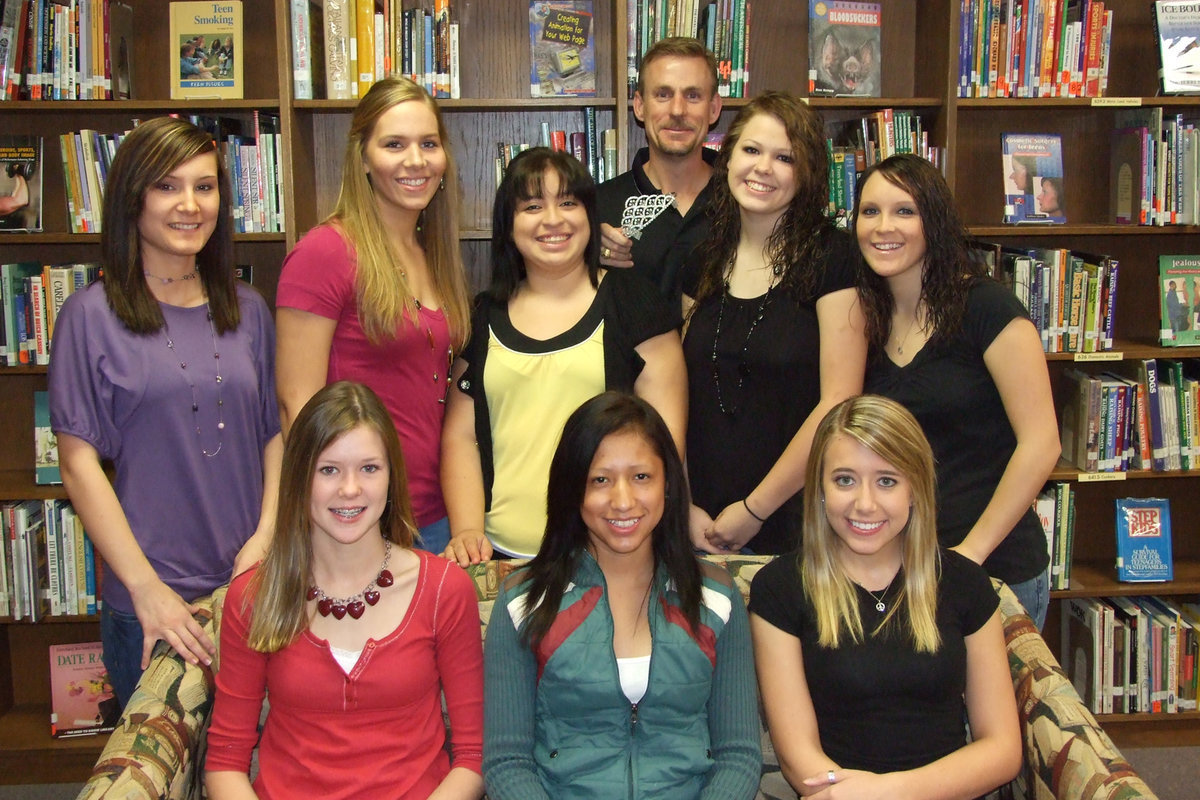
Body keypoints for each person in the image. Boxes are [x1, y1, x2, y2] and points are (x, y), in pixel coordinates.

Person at [49, 116, 282, 706]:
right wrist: (145, 588)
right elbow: (78, 466)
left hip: (251, 587)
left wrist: (265, 540)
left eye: (204, 187)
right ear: (133, 198)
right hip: (154, 602)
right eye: (168, 186)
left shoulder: (249, 310)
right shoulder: (89, 317)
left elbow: (274, 438)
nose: (190, 205)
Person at [205, 382, 484, 800]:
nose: (350, 489)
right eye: (328, 469)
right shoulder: (253, 595)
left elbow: (473, 757)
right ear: (299, 477)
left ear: (392, 475)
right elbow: (225, 761)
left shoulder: (446, 590)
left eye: (369, 468)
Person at [483, 391, 760, 800]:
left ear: (668, 484)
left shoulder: (716, 597)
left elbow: (738, 756)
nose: (623, 500)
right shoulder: (524, 601)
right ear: (571, 488)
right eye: (600, 480)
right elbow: (507, 762)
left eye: (641, 477)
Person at [749, 395, 1022, 798]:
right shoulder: (781, 587)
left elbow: (1002, 750)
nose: (864, 503)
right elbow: (797, 755)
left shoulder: (964, 583)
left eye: (887, 481)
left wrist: (890, 792)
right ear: (819, 488)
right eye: (844, 479)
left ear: (915, 489)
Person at [441, 147, 687, 565]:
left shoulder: (635, 305)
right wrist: (467, 531)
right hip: (502, 558)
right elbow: (461, 435)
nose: (553, 219)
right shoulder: (481, 316)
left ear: (590, 217)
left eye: (568, 202)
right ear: (509, 225)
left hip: (609, 557)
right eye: (532, 206)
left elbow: (666, 445)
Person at [855, 153, 1060, 627]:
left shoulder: (987, 309)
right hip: (899, 569)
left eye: (905, 211)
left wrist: (969, 555)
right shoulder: (867, 318)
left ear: (936, 221)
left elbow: (1042, 444)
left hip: (991, 568)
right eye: (870, 211)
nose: (884, 226)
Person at [276, 76, 471, 556]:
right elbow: (296, 403)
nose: (415, 160)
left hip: (435, 516)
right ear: (363, 158)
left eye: (428, 143)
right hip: (359, 519)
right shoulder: (325, 251)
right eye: (393, 144)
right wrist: (345, 510)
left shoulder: (433, 254)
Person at [682, 91, 865, 555]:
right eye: (751, 150)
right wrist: (680, 501)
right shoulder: (701, 254)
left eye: (784, 157)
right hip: (696, 519)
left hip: (792, 519)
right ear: (727, 159)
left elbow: (839, 401)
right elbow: (674, 385)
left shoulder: (834, 256)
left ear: (806, 174)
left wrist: (755, 509)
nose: (763, 168)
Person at [596, 37, 722, 300]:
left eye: (693, 95)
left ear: (713, 109)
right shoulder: (596, 207)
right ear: (640, 106)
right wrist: (584, 256)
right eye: (663, 95)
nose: (678, 110)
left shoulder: (744, 202)